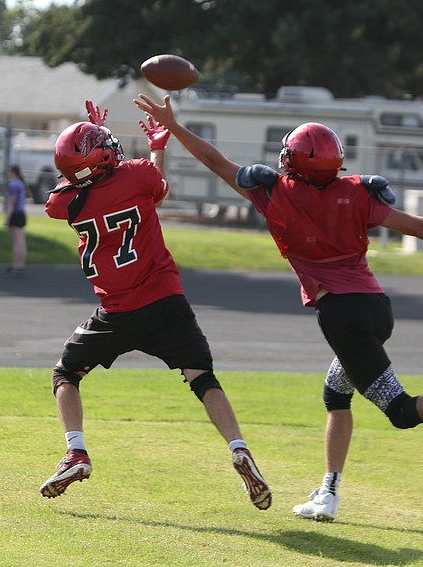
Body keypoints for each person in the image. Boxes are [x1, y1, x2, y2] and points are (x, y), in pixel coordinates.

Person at [134, 93, 423, 523]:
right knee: (336, 393)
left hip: (341, 316)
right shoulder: (358, 192)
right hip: (375, 308)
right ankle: (327, 493)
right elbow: (421, 226)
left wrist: (173, 129)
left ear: (291, 160)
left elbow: (216, 162)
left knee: (400, 411)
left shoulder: (274, 193)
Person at [38, 101, 272, 510]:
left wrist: (89, 151)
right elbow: (156, 189)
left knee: (65, 373)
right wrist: (157, 145)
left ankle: (76, 452)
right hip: (165, 300)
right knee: (203, 378)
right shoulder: (138, 175)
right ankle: (238, 447)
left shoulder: (65, 204)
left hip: (117, 311)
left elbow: (71, 187)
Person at [4, 165, 28, 273]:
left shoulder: (14, 184)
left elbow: (11, 202)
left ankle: (16, 264)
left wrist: (7, 218)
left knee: (16, 240)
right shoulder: (21, 183)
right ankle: (20, 264)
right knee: (20, 240)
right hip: (21, 213)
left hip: (15, 214)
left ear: (13, 172)